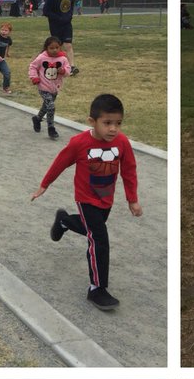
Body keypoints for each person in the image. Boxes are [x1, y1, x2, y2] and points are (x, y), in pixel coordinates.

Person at [31, 92, 142, 312]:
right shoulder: (79, 143)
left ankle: (63, 221)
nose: (113, 129)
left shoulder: (122, 142)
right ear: (92, 121)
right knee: (99, 239)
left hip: (106, 199)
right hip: (85, 199)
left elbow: (129, 171)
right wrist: (44, 184)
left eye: (118, 123)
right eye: (107, 123)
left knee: (90, 230)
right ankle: (97, 289)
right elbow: (60, 162)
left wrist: (133, 199)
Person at [28, 36, 73, 141]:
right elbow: (33, 66)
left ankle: (37, 119)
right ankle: (51, 128)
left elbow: (68, 70)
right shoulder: (41, 57)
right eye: (51, 48)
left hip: (55, 88)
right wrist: (34, 77)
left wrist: (63, 71)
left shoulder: (63, 59)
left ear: (60, 47)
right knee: (51, 107)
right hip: (43, 87)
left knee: (46, 106)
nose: (54, 50)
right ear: (46, 48)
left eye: (57, 48)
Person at [41, 0, 78, 68]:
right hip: (55, 25)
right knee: (57, 46)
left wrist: (69, 16)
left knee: (68, 45)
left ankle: (71, 66)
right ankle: (57, 64)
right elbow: (45, 11)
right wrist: (58, 18)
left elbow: (71, 6)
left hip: (67, 24)